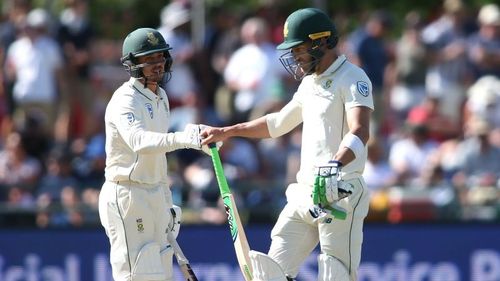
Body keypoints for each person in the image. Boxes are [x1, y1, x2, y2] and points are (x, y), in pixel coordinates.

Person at [201, 8, 373, 281]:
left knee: (336, 273)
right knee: (270, 273)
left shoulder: (353, 77)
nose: (295, 56)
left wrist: (335, 164)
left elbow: (360, 130)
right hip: (305, 192)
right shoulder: (309, 83)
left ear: (321, 42)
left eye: (299, 48)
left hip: (341, 189)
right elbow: (278, 123)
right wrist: (228, 131)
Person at [98, 27, 213, 281]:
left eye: (160, 57)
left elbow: (157, 155)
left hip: (154, 192)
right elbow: (139, 142)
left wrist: (164, 198)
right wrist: (186, 139)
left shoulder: (161, 96)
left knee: (161, 272)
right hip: (127, 193)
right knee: (136, 275)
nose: (157, 64)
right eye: (148, 59)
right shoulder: (124, 100)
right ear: (133, 63)